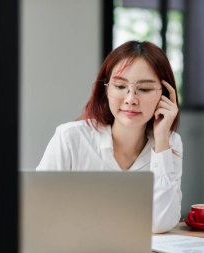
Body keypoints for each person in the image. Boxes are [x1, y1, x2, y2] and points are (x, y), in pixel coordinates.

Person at [36, 40, 182, 234]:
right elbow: (38, 213)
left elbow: (161, 223)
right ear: (106, 90)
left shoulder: (169, 142)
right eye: (120, 86)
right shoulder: (70, 138)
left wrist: (162, 140)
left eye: (145, 89)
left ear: (164, 95)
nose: (130, 99)